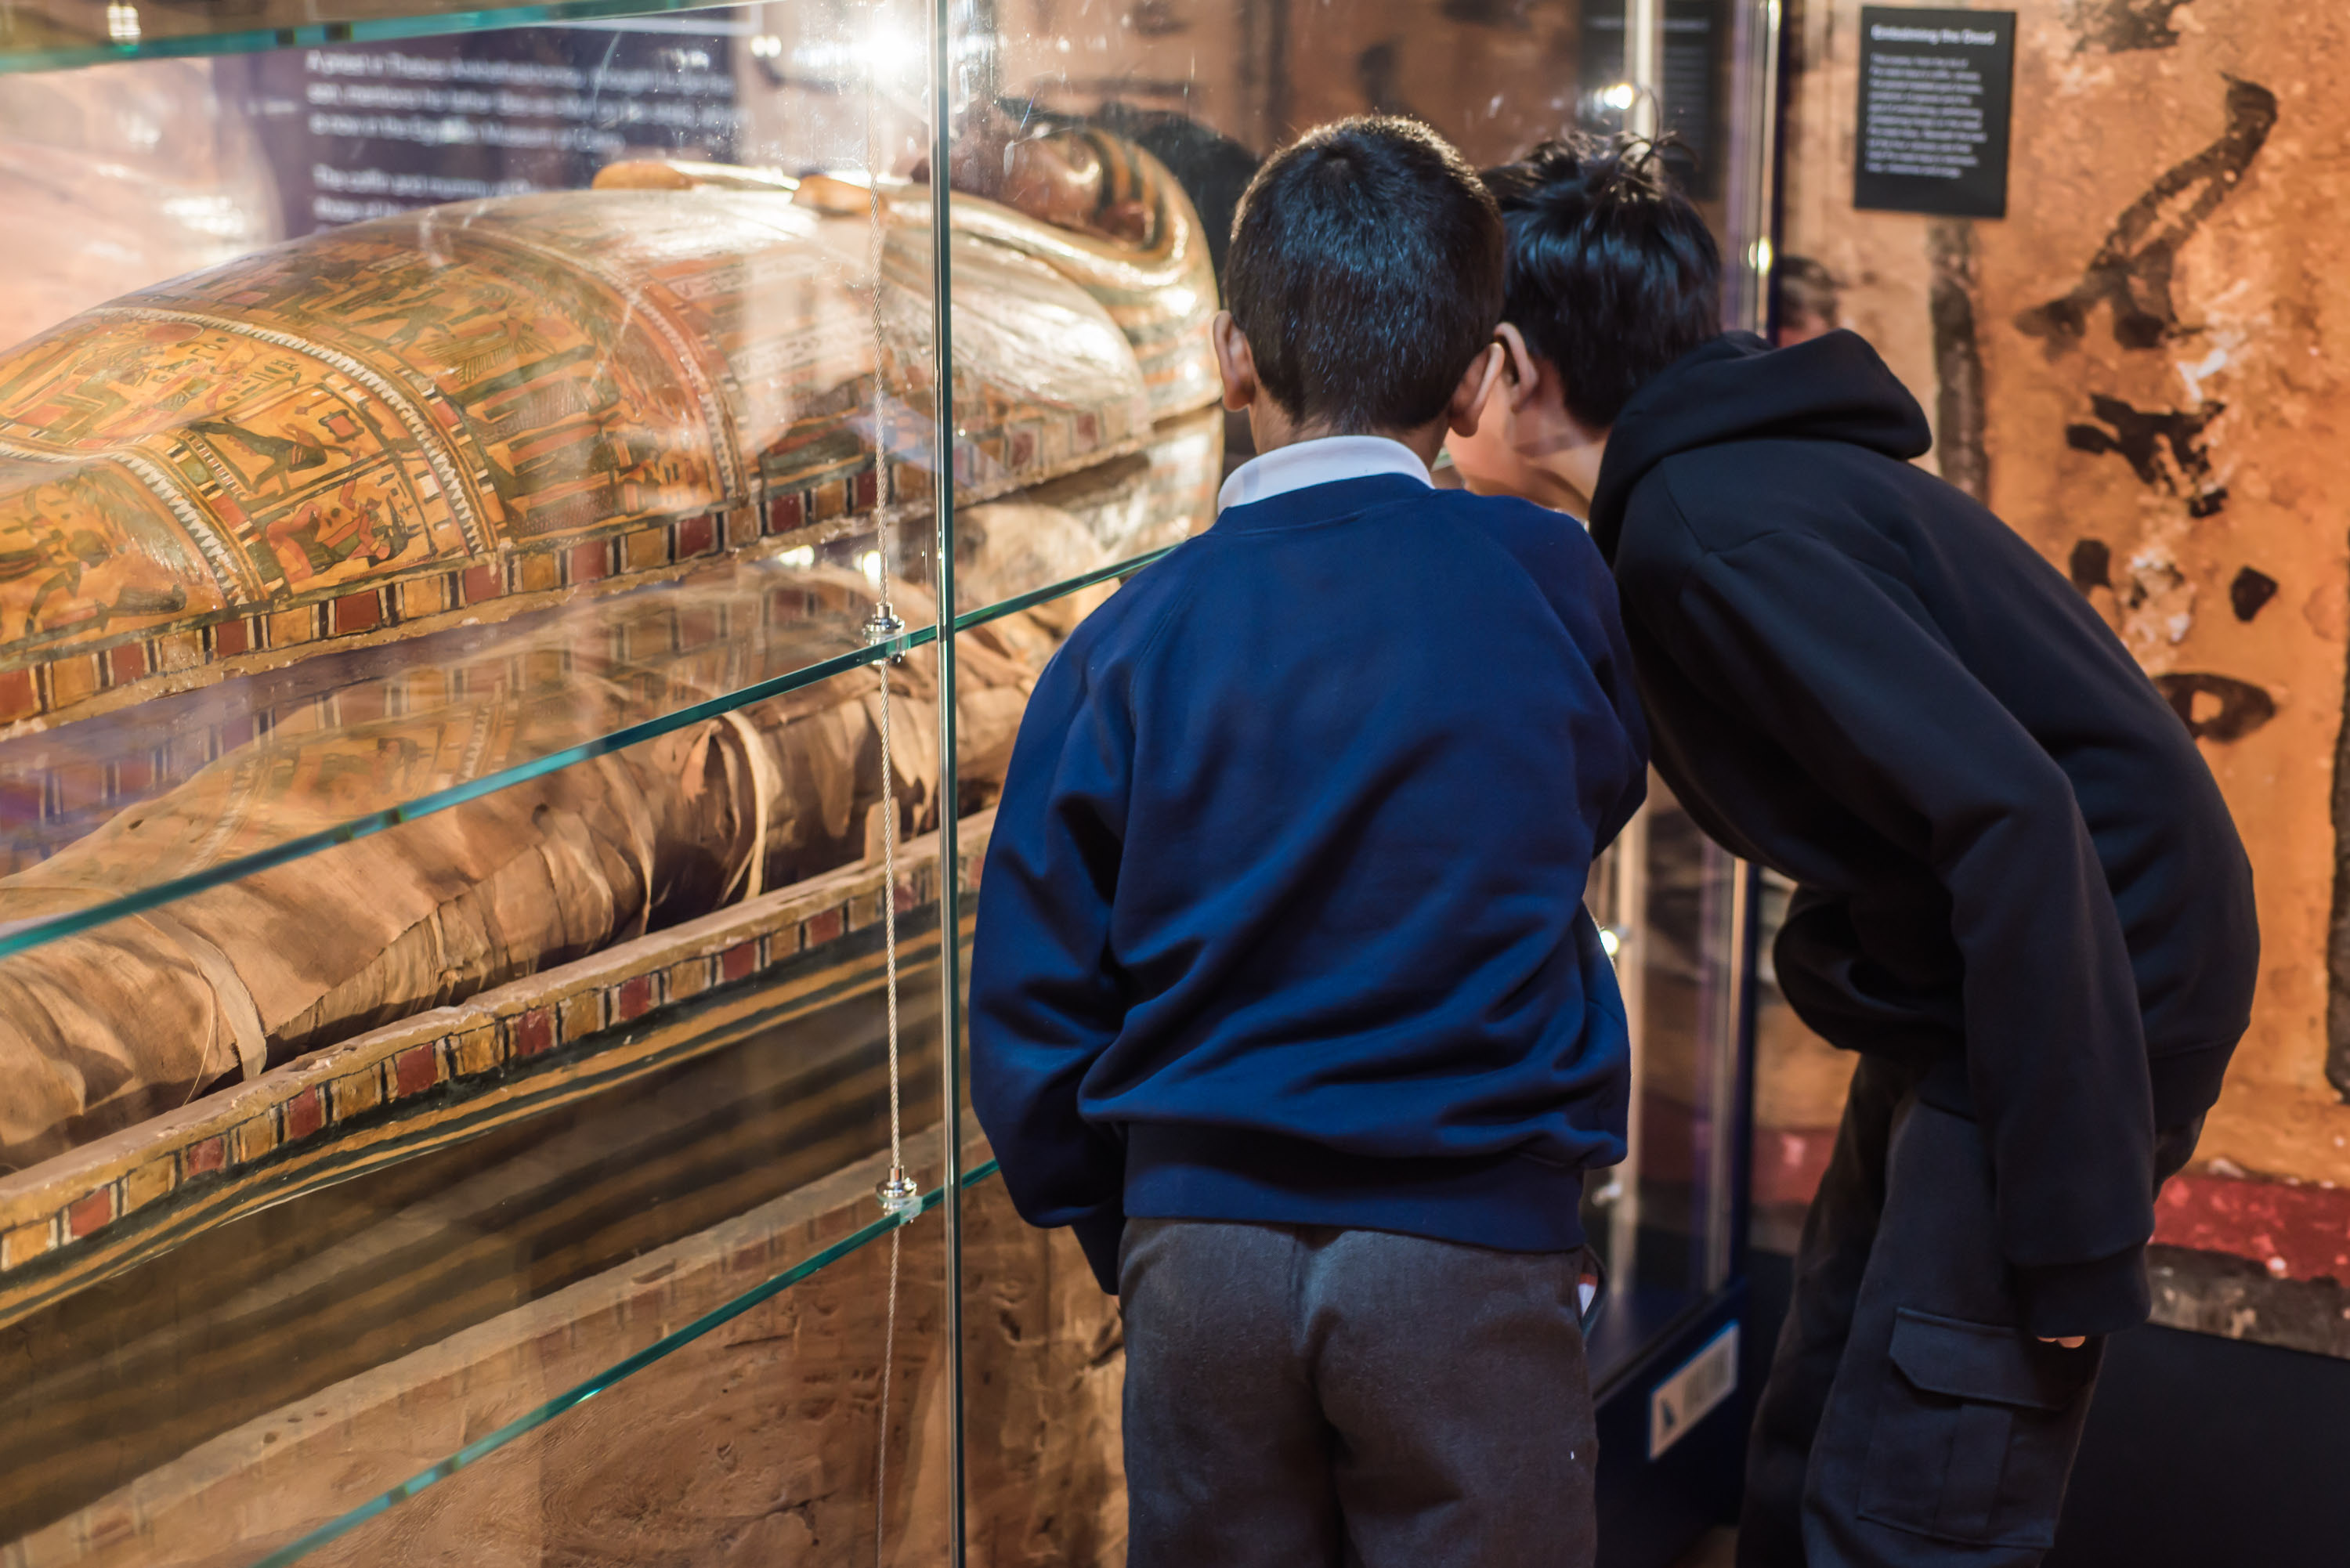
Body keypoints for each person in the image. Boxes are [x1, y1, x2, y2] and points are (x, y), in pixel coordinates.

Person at [1448, 135, 2258, 1568]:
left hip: (2086, 987)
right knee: (1820, 1424)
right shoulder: (1709, 497)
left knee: (1914, 1503)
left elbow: (2016, 812)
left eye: (1444, 358)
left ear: (1510, 364)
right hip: (1981, 984)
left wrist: (2073, 1232)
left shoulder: (1705, 533)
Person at [967, 117, 1648, 1568]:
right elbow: (1596, 791)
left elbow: (1029, 1009)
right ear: (1474, 380)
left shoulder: (1127, 643)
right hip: (1467, 1245)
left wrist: (1144, 1222)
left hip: (1199, 1256)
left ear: (1230, 356)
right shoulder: (1548, 580)